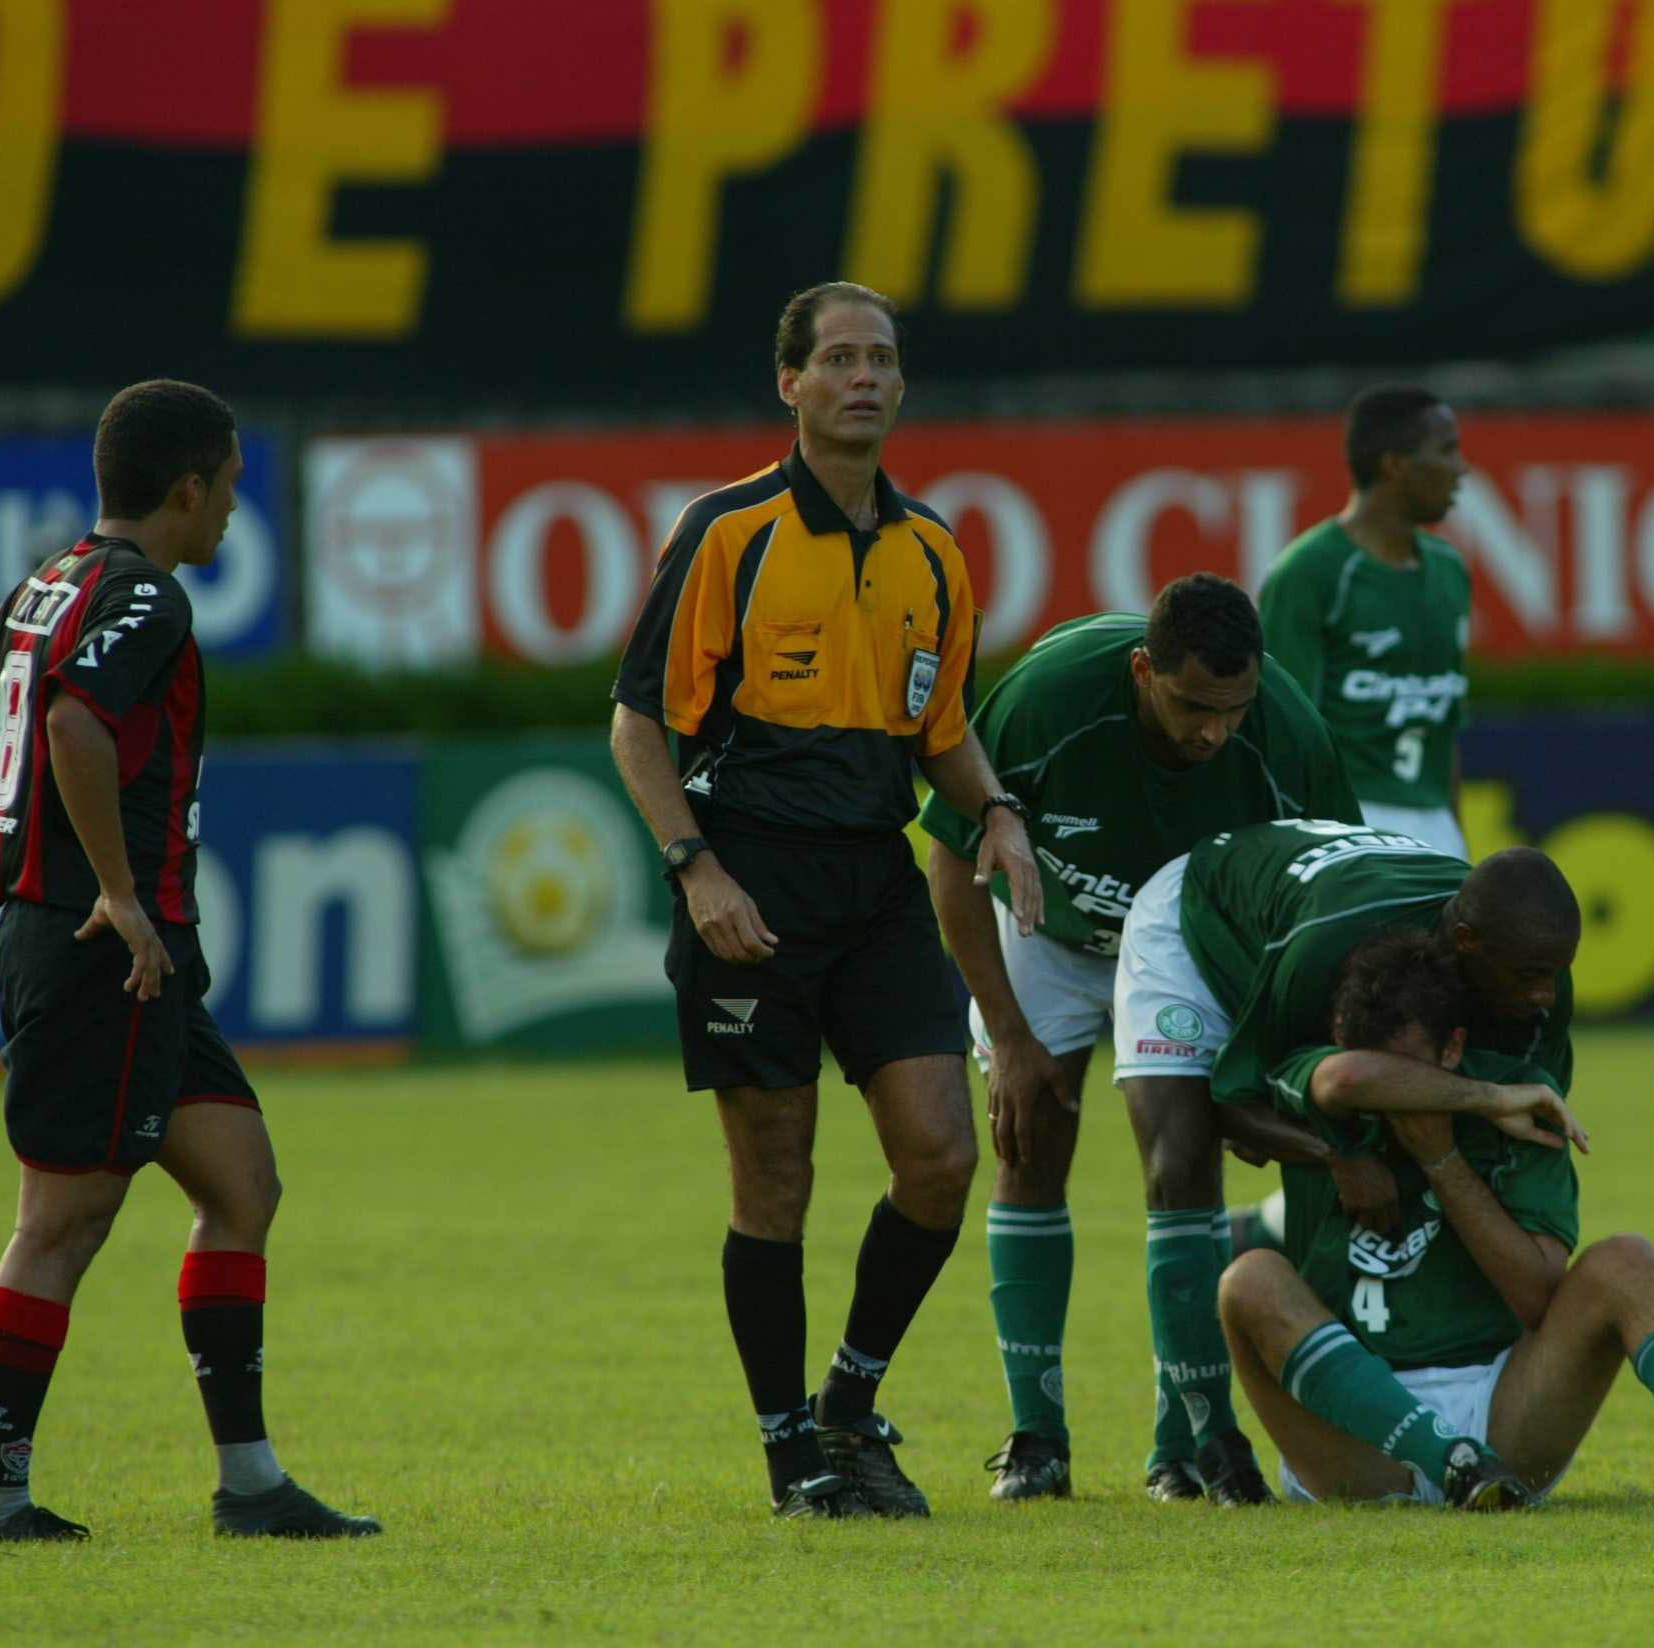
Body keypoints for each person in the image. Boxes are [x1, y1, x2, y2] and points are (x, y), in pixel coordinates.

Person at [608, 281, 1042, 1522]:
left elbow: (940, 732)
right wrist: (698, 871)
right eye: (839, 358)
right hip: (749, 880)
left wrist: (997, 810)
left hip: (876, 881)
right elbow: (641, 725)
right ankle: (785, 1442)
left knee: (942, 1157)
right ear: (788, 383)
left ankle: (849, 1405)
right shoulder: (727, 532)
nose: (865, 377)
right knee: (776, 1177)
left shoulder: (933, 550)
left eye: (883, 359)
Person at [0, 381, 378, 1542]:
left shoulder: (53, 579)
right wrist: (108, 886)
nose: (237, 509)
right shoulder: (145, 598)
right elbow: (73, 725)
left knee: (241, 1183)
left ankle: (250, 1485)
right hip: (105, 948)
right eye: (233, 485)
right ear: (188, 489)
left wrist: (14, 828)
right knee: (64, 1217)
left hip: (130, 953)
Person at [918, 578, 1366, 1506]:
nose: (1214, 733)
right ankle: (1036, 1438)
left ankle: (1185, 1444)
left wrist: (1263, 1065)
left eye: (1232, 711)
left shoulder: (1287, 735)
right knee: (1030, 1137)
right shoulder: (1048, 701)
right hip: (1047, 922)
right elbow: (953, 862)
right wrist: (1007, 1035)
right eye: (1193, 705)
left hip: (1183, 947)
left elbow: (1329, 914)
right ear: (1140, 670)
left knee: (1182, 1156)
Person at [1218, 930, 1654, 1509]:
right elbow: (1330, 1086)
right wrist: (1341, 1150)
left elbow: (1536, 1296)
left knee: (1625, 1260)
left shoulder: (1523, 1109)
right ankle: (1446, 1459)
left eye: (1406, 1070)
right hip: (1352, 1447)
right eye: (1376, 1072)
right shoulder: (1318, 1085)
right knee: (1248, 1280)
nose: (1389, 1093)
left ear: (1453, 1050)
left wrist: (1441, 1155)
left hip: (1506, 1420)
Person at [1116, 818, 1584, 1460]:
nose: (1547, 993)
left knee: (1403, 1123)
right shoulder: (1323, 958)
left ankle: (1267, 1231)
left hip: (1336, 894)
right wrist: (1341, 1155)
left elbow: (1515, 1141)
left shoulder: (1533, 968)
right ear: (1469, 942)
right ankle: (1191, 1448)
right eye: (1532, 975)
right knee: (1179, 1160)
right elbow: (1234, 1109)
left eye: (1557, 973)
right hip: (1206, 917)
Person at [1260, 386, 1473, 860]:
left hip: (1437, 827)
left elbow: (1444, 727)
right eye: (1447, 450)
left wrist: (1456, 837)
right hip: (1347, 826)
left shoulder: (1450, 571)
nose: (1462, 468)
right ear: (1396, 465)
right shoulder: (1309, 573)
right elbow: (1282, 736)